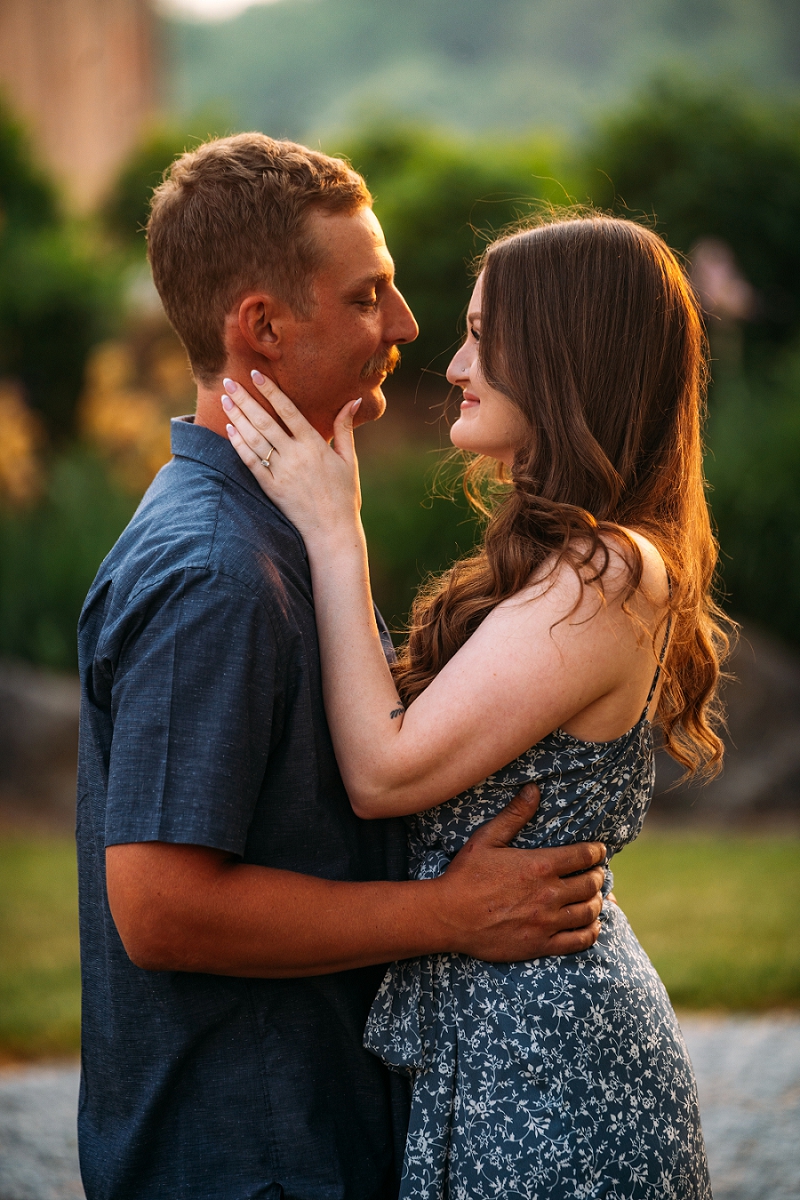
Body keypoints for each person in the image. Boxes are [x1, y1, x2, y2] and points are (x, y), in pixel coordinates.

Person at [75, 135, 609, 1200]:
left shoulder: (276, 525)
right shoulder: (216, 570)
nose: (405, 326)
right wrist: (447, 914)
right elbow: (161, 907)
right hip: (253, 1159)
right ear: (263, 328)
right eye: (368, 296)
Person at [223, 212, 730, 1198]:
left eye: (483, 339)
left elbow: (384, 773)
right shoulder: (557, 564)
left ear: (562, 355)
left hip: (559, 1076)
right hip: (503, 1047)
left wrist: (334, 529)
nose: (454, 366)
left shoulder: (607, 573)